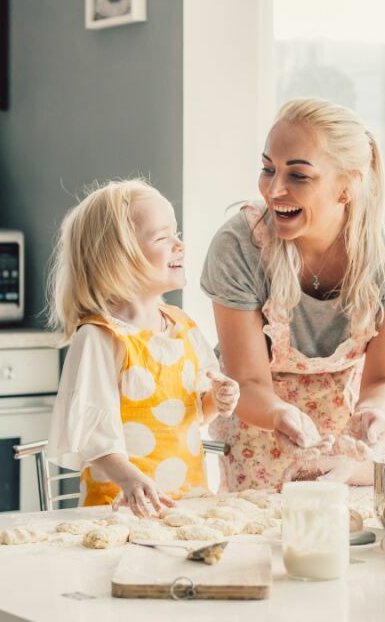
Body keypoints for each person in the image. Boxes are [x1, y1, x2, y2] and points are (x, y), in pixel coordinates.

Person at [201, 98, 385, 490]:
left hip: (354, 440)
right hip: (262, 430)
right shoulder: (240, 245)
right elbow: (247, 381)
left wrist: (375, 412)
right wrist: (279, 415)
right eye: (268, 169)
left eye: (299, 176)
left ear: (347, 186)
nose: (274, 190)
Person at [46, 179, 240, 517]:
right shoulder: (100, 337)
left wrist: (217, 400)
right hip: (118, 511)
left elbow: (191, 415)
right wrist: (131, 481)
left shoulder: (183, 326)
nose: (179, 244)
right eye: (163, 237)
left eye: (176, 233)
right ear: (118, 258)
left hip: (185, 505)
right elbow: (93, 438)